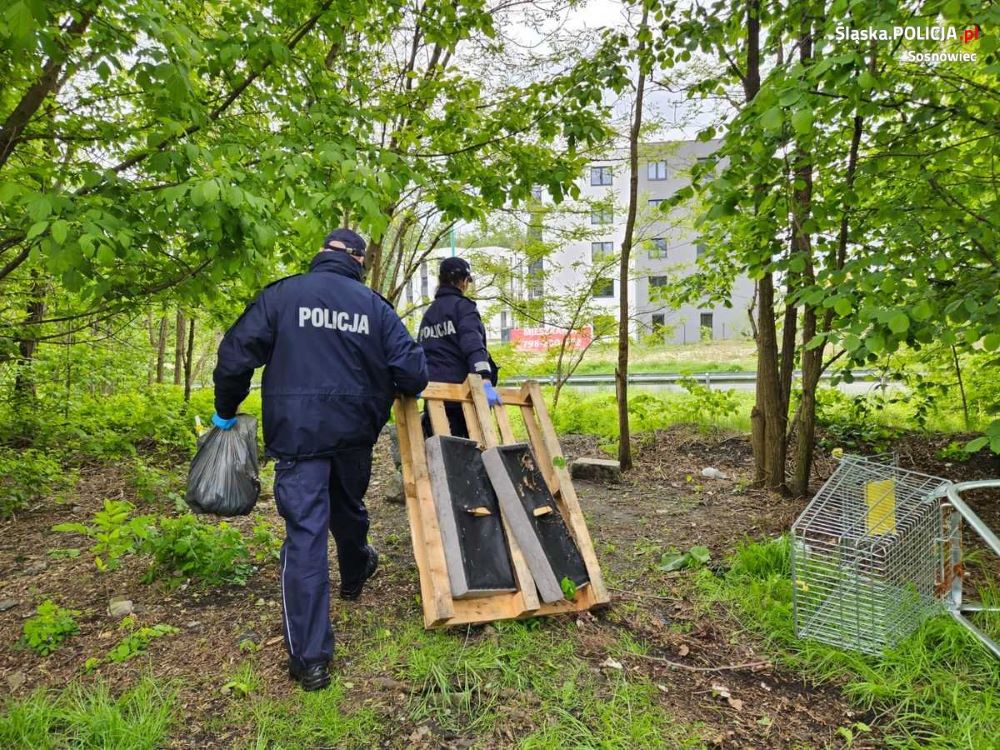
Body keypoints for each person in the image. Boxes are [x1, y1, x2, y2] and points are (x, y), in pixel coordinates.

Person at [211, 228, 428, 692]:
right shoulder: (375, 308)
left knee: (307, 535)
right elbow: (413, 372)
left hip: (298, 435)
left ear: (322, 255)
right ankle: (355, 570)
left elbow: (234, 356)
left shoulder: (284, 295)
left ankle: (310, 660)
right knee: (348, 506)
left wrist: (225, 411)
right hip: (353, 434)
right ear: (358, 260)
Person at [417, 257, 501, 438]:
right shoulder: (463, 308)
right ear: (463, 281)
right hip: (461, 401)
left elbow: (422, 352)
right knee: (468, 456)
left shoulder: (429, 314)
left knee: (439, 455)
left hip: (433, 399)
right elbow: (473, 344)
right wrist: (485, 379)